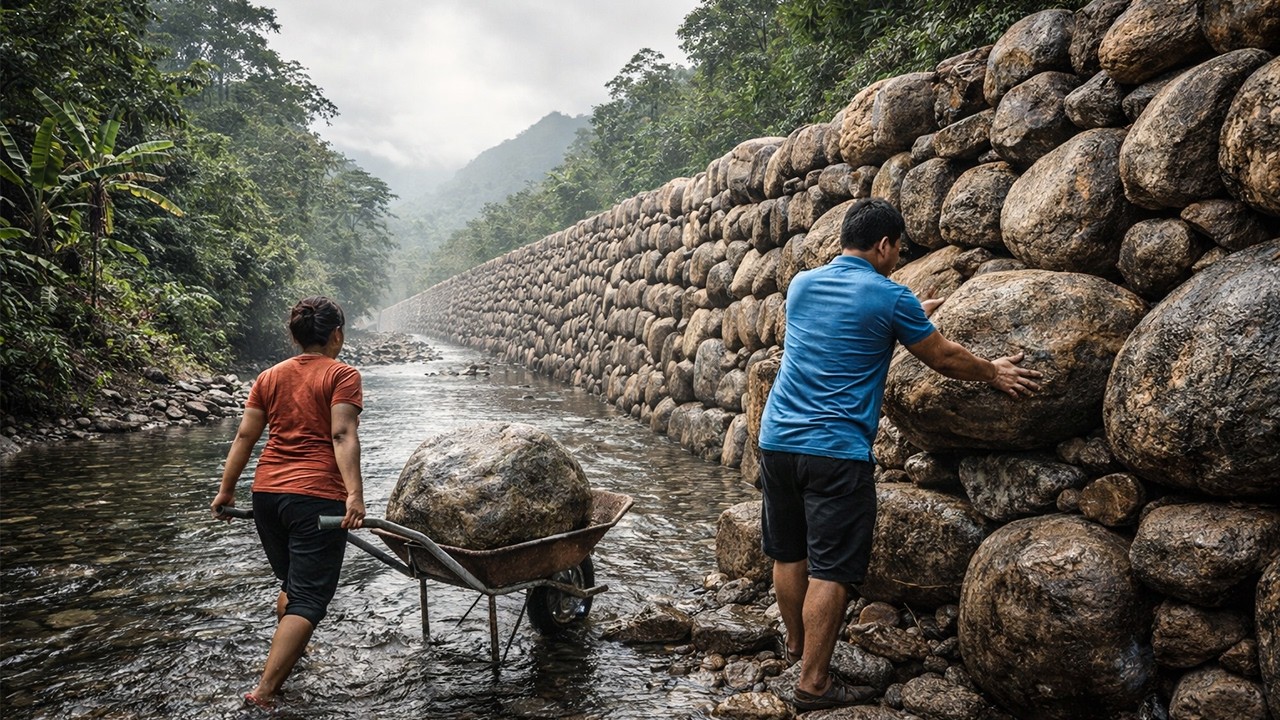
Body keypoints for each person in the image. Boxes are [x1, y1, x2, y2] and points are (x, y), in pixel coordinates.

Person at [758, 198, 1041, 711]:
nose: (897, 259)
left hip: (777, 441)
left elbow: (842, 335)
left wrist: (909, 317)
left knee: (789, 551)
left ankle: (796, 647)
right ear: (884, 245)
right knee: (832, 569)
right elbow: (944, 358)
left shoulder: (802, 286)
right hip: (835, 453)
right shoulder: (891, 298)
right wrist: (994, 371)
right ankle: (813, 683)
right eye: (897, 250)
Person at [211, 296, 366, 710]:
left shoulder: (269, 377)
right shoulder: (342, 374)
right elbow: (341, 435)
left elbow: (245, 437)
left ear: (294, 335)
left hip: (266, 495)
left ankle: (293, 651)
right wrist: (354, 495)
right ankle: (263, 694)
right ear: (336, 334)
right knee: (310, 599)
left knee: (293, 585)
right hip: (316, 497)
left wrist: (226, 491)